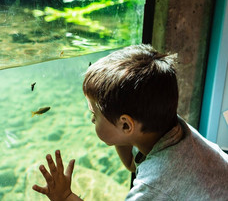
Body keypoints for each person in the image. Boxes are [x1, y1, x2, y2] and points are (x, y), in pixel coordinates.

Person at [32, 44, 228, 201]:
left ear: (126, 125)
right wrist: (115, 132)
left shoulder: (154, 184)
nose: (91, 119)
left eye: (95, 114)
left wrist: (65, 197)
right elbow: (132, 163)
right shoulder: (174, 129)